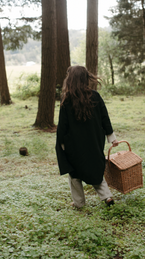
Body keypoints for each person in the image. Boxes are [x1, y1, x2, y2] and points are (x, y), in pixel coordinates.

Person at [56, 65, 118, 208]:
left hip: (74, 145)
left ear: (70, 79)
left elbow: (62, 125)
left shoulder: (67, 99)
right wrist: (111, 137)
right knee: (95, 169)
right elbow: (105, 118)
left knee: (74, 173)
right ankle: (107, 197)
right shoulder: (95, 96)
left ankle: (79, 203)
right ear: (85, 78)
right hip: (94, 142)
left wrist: (62, 143)